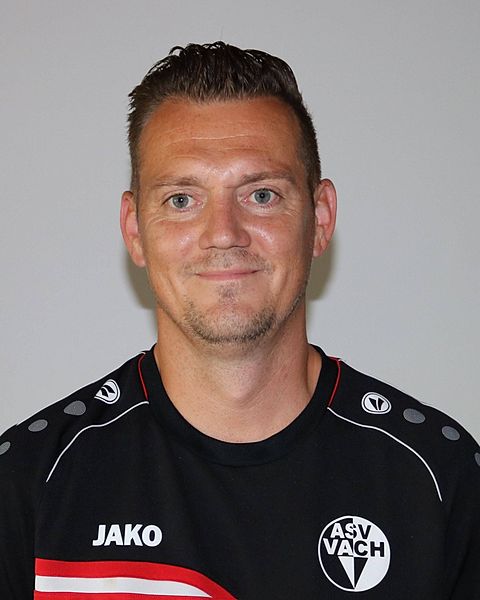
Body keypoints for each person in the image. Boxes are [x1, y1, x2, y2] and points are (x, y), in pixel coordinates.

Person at [0, 42, 478, 599]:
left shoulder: (440, 478)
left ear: (320, 218)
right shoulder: (29, 484)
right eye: (182, 200)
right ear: (134, 230)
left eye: (261, 194)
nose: (224, 233)